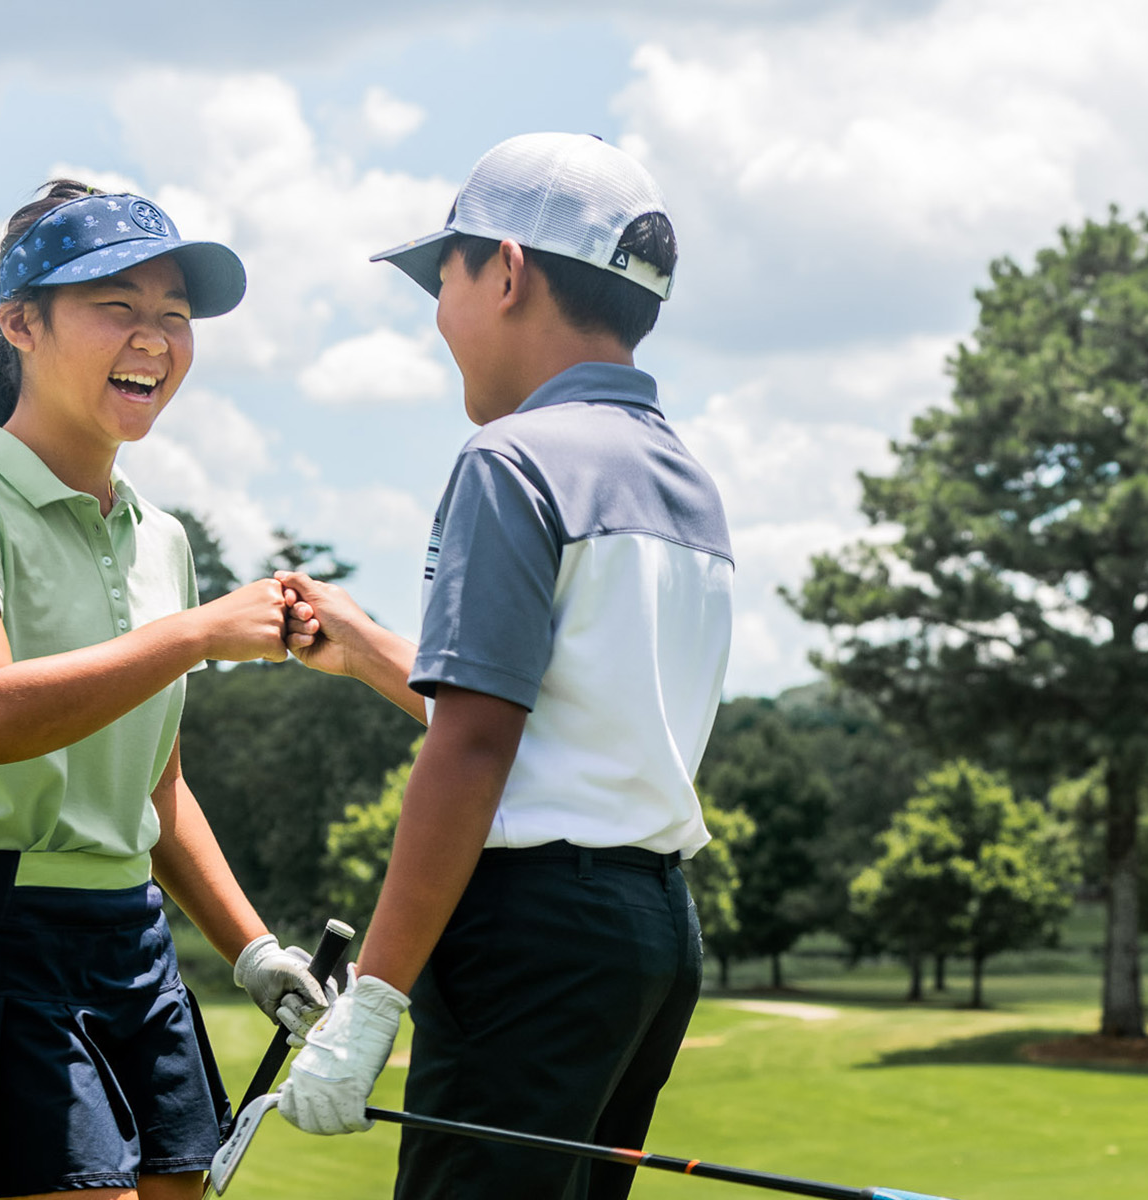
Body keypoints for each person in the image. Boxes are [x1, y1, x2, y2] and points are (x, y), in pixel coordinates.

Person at [274, 133, 734, 1200]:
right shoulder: (684, 479)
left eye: (444, 279)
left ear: (509, 272)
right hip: (652, 935)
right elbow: (570, 720)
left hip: (531, 936)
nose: (439, 314)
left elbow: (478, 745)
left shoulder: (512, 458)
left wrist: (373, 1001)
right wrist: (373, 651)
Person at [0, 179, 330, 1200]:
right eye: (116, 306)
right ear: (20, 323)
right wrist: (195, 634)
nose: (154, 338)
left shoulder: (160, 538)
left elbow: (154, 787)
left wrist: (254, 952)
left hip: (133, 934)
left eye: (174, 313)